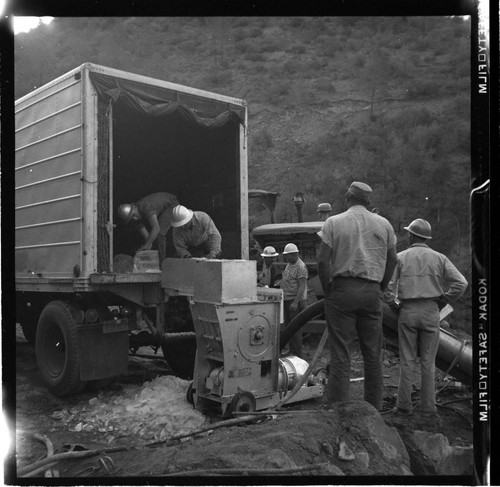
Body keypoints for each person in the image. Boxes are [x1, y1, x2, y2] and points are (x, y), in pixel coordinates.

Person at [317, 181, 397, 411]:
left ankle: (338, 409)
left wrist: (328, 291)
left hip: (342, 291)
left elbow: (323, 261)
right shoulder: (384, 224)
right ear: (368, 202)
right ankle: (374, 409)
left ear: (347, 197)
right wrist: (380, 286)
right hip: (372, 293)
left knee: (341, 353)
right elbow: (393, 260)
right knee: (372, 353)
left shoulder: (334, 222)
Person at [385, 218, 467, 421]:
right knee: (428, 363)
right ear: (426, 238)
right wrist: (444, 298)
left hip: (408, 312)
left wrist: (393, 304)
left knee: (407, 361)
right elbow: (461, 283)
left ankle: (403, 408)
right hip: (431, 312)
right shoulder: (439, 258)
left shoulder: (400, 257)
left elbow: (387, 288)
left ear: (412, 235)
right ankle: (428, 410)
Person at [117, 192, 179, 261]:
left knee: (160, 234)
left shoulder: (145, 207)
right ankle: (156, 260)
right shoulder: (135, 220)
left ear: (134, 208)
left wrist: (146, 245)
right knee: (153, 238)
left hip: (171, 204)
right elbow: (148, 238)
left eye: (133, 215)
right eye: (131, 218)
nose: (134, 218)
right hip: (161, 208)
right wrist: (144, 249)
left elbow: (156, 228)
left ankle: (162, 263)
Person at [280, 243, 308, 358]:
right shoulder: (289, 264)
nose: (286, 258)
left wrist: (296, 302)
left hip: (294, 301)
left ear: (294, 254)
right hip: (287, 299)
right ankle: (292, 350)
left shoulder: (301, 267)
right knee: (289, 327)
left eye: (288, 255)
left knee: (295, 329)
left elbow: (302, 286)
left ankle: (297, 353)